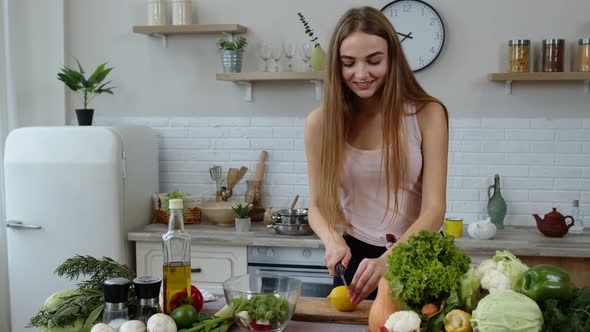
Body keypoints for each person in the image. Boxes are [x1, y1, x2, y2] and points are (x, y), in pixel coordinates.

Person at [303, 6, 449, 304]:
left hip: (415, 256)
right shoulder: (321, 123)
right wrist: (332, 240)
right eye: (348, 63)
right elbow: (316, 206)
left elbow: (434, 210)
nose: (361, 74)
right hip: (355, 262)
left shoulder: (428, 113)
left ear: (392, 59)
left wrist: (389, 260)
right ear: (336, 66)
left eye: (374, 61)